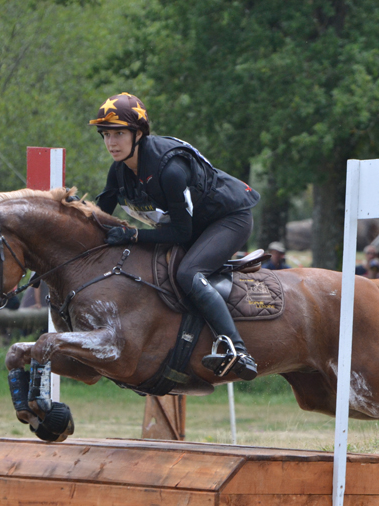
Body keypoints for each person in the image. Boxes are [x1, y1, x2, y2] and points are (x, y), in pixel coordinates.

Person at [91, 92, 260, 379]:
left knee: (188, 273)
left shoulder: (169, 170)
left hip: (228, 219)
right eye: (105, 134)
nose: (111, 143)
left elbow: (182, 232)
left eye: (118, 134)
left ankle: (237, 350)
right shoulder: (118, 171)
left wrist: (132, 236)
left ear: (139, 134)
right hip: (194, 226)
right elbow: (98, 218)